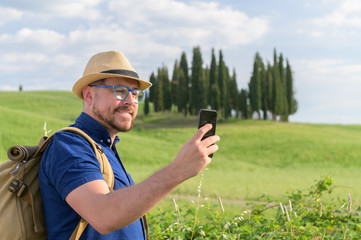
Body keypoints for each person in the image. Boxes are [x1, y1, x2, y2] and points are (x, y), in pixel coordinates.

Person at [39, 50, 220, 239]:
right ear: (89, 95)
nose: (130, 101)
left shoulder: (105, 149)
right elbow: (103, 215)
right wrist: (178, 170)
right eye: (120, 91)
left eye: (135, 94)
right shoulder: (70, 146)